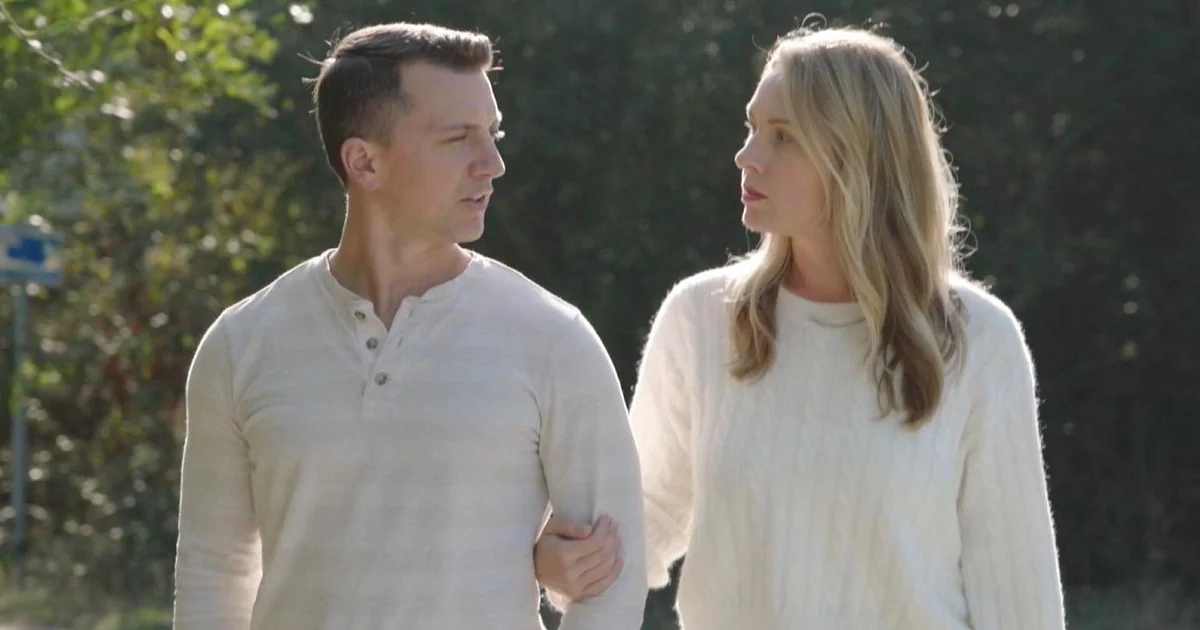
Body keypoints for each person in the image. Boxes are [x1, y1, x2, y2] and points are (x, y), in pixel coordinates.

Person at [533, 24, 1066, 630]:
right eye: (752, 128)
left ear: (858, 156)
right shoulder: (701, 319)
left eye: (783, 136)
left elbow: (1019, 600)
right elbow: (636, 524)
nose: (747, 156)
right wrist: (558, 559)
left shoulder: (977, 340)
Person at [172, 22, 646, 630]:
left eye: (494, 134)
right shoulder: (241, 344)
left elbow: (612, 578)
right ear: (364, 162)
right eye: (458, 138)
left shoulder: (553, 340)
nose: (493, 164)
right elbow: (213, 574)